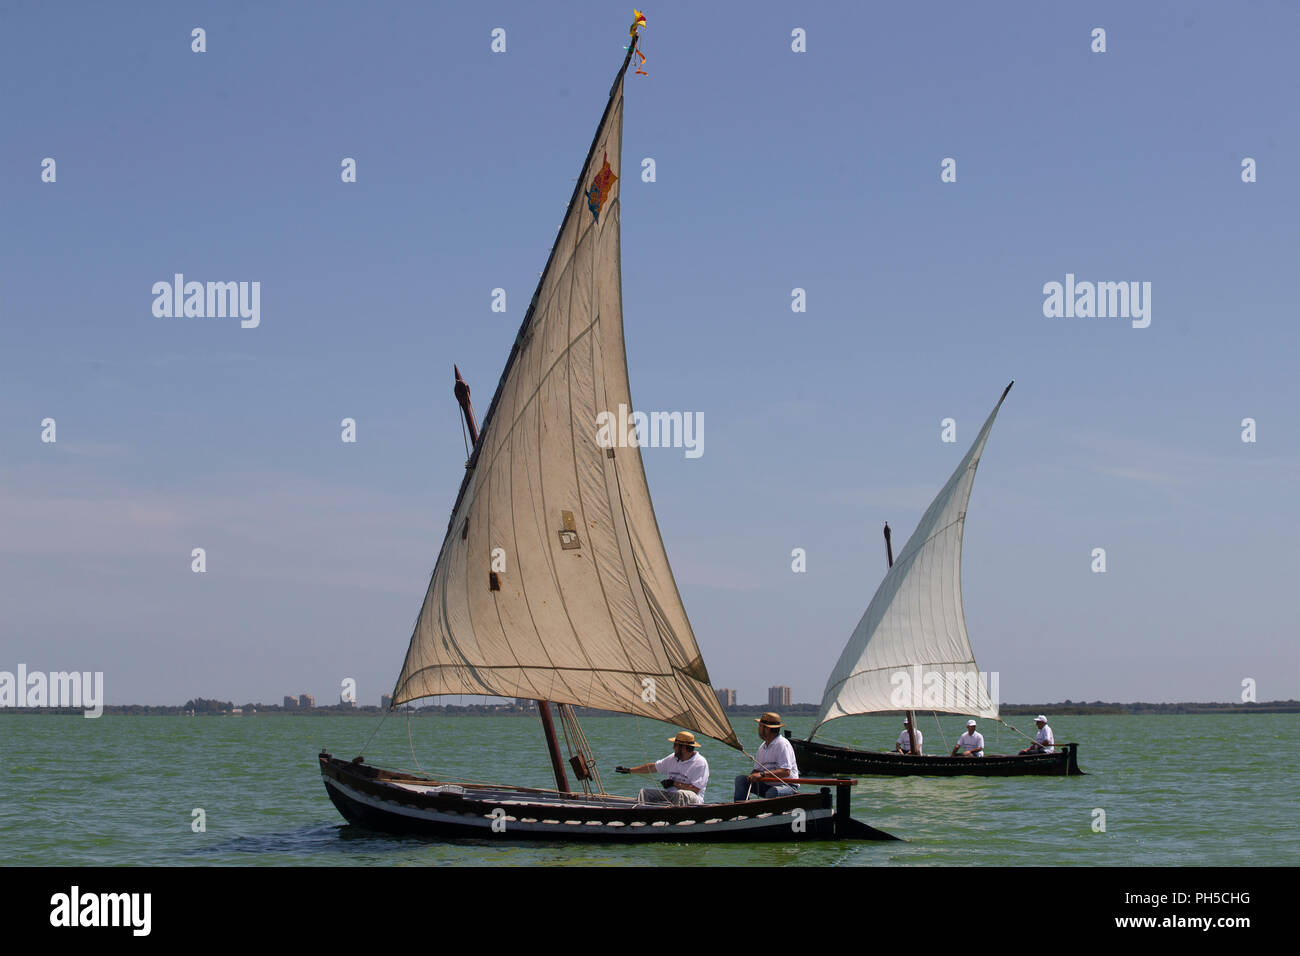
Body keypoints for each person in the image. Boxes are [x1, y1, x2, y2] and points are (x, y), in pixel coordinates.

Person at [615, 731, 709, 805]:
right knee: (644, 792)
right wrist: (628, 770)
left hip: (692, 800)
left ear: (683, 748)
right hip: (671, 796)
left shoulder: (700, 763)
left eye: (675, 745)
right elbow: (652, 767)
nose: (673, 748)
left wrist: (674, 783)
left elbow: (695, 790)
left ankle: (675, 819)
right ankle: (643, 817)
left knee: (680, 794)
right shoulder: (672, 758)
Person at [733, 712, 800, 801]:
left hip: (788, 786)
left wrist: (761, 774)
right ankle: (740, 809)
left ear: (767, 728)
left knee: (772, 792)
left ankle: (772, 813)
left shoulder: (782, 744)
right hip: (768, 786)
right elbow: (757, 770)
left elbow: (786, 771)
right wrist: (752, 776)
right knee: (741, 780)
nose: (758, 728)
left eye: (760, 726)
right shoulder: (762, 747)